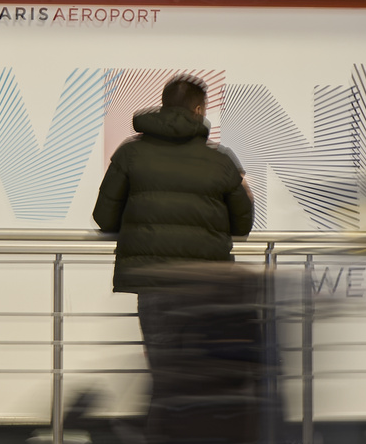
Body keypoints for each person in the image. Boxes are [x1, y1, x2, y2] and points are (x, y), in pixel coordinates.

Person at [92, 75, 254, 400]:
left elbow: (104, 216)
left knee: (163, 374)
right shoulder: (221, 160)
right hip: (208, 283)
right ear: (198, 109)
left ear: (163, 106)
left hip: (153, 282)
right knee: (206, 373)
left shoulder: (129, 154)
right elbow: (242, 224)